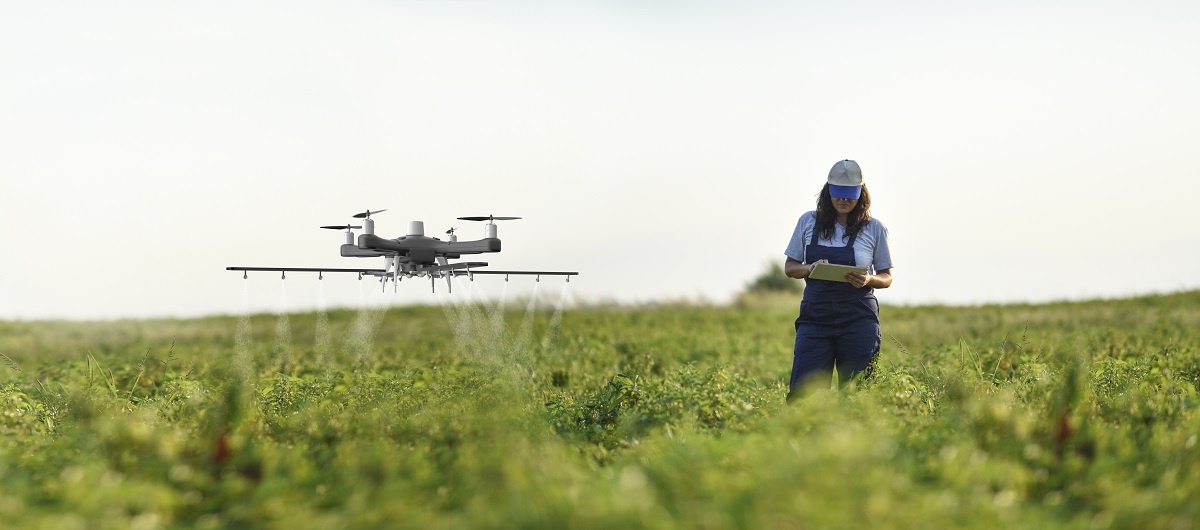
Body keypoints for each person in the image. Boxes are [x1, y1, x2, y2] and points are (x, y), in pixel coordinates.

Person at [783, 159, 893, 402]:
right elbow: (790, 268)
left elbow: (886, 277)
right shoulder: (807, 221)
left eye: (850, 195)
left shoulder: (874, 228)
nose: (844, 200)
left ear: (861, 194)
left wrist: (868, 279)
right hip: (815, 318)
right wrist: (810, 268)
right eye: (838, 194)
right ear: (828, 192)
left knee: (857, 395)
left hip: (858, 319)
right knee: (804, 394)